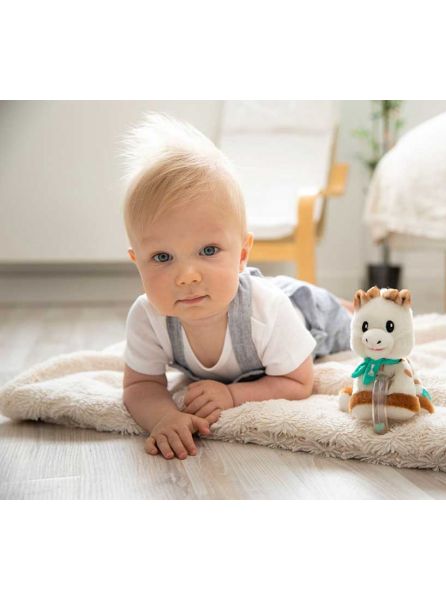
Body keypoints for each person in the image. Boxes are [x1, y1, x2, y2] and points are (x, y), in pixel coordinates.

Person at [121, 113, 352, 460]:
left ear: (242, 254)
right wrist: (163, 417)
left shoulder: (267, 308)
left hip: (304, 314)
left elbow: (299, 381)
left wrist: (233, 396)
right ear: (137, 261)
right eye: (162, 257)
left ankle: (347, 304)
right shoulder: (147, 316)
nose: (187, 276)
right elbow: (140, 386)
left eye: (208, 251)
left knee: (354, 325)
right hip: (253, 296)